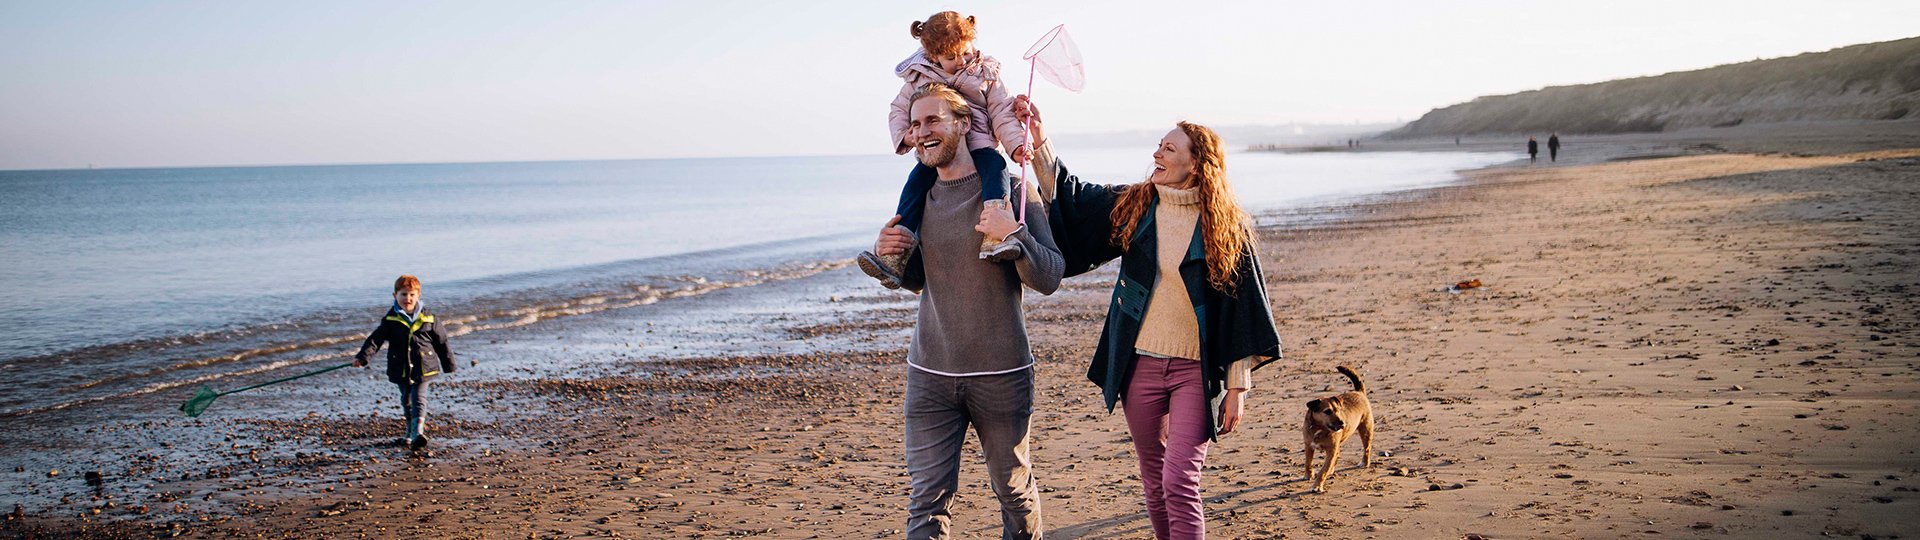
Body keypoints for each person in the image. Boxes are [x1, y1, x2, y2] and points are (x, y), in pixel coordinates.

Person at [1018, 97, 1282, 539]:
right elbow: (1076, 197)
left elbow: (1242, 307)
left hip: (1194, 373)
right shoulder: (1137, 205)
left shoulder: (1225, 227)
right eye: (1159, 146)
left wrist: (1238, 386)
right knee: (1155, 480)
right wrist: (1039, 139)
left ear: (1196, 165)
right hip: (1138, 366)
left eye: (1170, 150)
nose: (1157, 155)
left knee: (1180, 481)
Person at [873, 82, 1063, 539]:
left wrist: (1014, 236)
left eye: (933, 120)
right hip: (929, 373)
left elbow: (1050, 276)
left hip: (1002, 372)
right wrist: (889, 258)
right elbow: (921, 279)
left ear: (964, 123)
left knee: (1012, 491)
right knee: (927, 499)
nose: (921, 132)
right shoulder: (919, 200)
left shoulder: (1012, 192)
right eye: (915, 124)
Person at [858, 11, 1032, 290]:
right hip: (938, 152)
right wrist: (907, 136)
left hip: (982, 144)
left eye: (965, 52)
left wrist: (1017, 146)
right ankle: (896, 253)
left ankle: (995, 235)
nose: (961, 61)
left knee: (996, 169)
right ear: (933, 56)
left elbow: (1001, 111)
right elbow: (898, 111)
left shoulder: (985, 72)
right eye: (952, 58)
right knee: (915, 184)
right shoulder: (919, 78)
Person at [353, 275, 456, 450]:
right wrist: (363, 358)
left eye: (411, 295)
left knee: (418, 398)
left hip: (424, 366)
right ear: (395, 296)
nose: (407, 299)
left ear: (418, 296)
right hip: (400, 367)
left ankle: (418, 432)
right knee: (406, 400)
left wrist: (449, 364)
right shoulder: (391, 320)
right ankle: (409, 430)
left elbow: (442, 342)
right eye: (403, 294)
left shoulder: (429, 318)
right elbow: (375, 340)